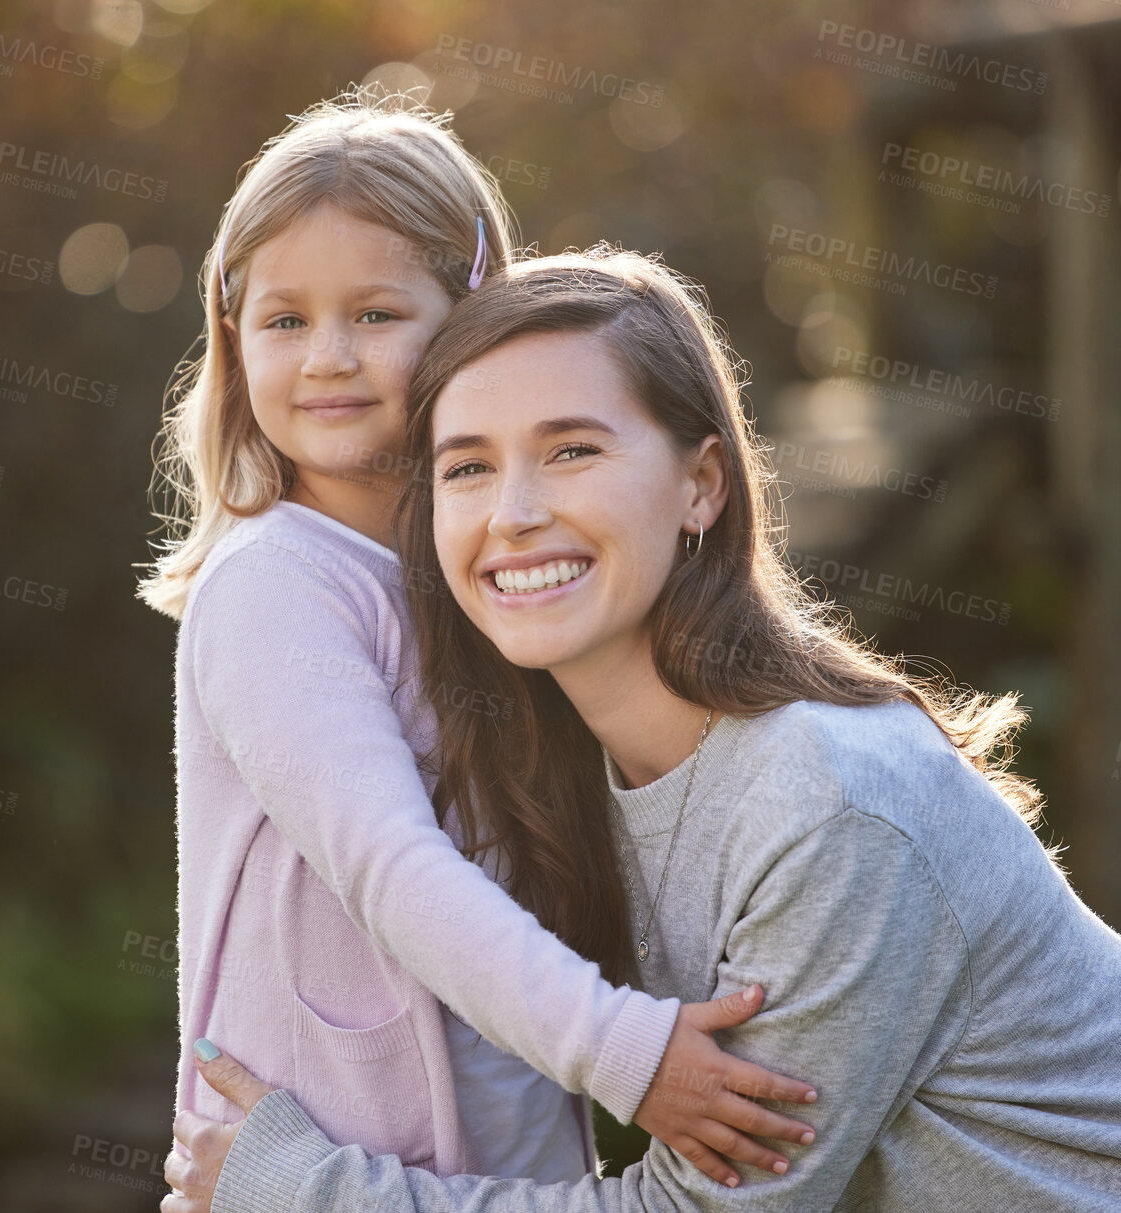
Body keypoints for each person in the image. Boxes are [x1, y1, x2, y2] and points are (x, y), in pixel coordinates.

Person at [166, 248, 1121, 1211]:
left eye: (573, 449)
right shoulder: (574, 783)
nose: (515, 514)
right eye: (467, 467)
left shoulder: (828, 807)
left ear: (702, 484)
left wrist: (299, 1189)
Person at [137, 94, 819, 1193]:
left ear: (466, 318)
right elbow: (387, 862)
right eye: (283, 320)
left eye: (374, 313)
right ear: (231, 337)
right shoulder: (271, 589)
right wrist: (625, 1053)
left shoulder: (490, 572)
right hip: (318, 1158)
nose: (327, 358)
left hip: (499, 1153)